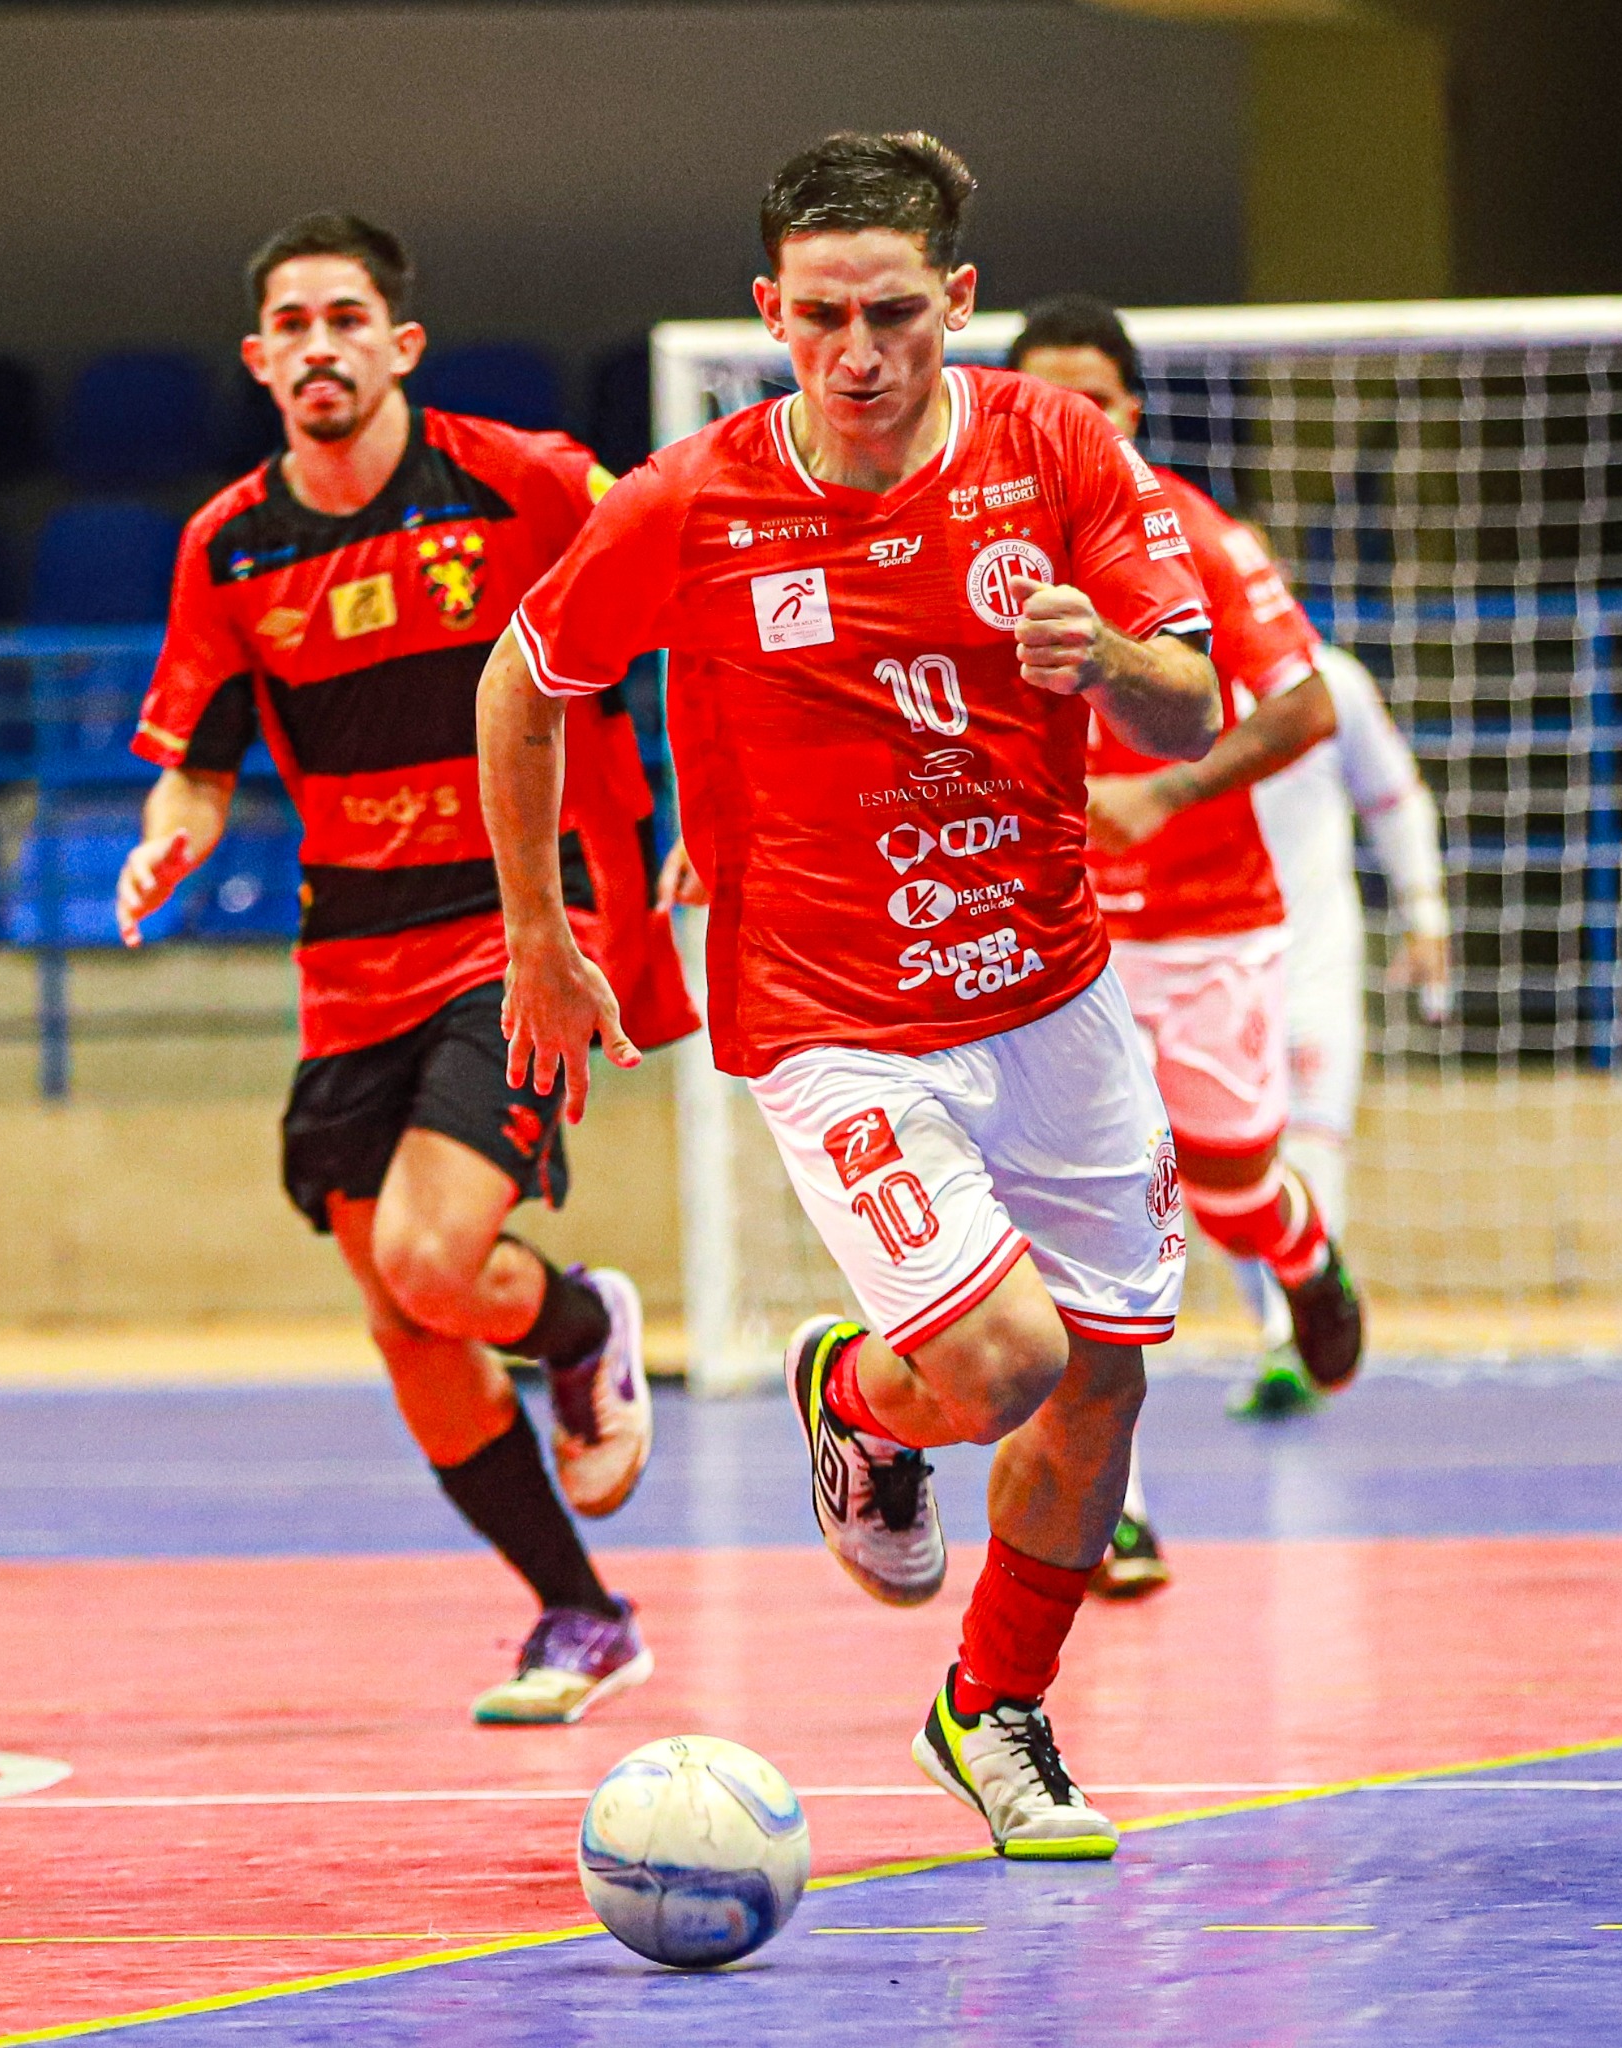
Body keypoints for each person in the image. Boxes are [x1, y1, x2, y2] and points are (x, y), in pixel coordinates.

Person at [484, 132, 1220, 1859]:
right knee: (1009, 1355)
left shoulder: (1060, 450)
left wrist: (1101, 657)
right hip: (830, 1014)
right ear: (771, 313)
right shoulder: (691, 497)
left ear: (960, 303)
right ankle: (865, 1396)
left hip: (1051, 989)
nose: (862, 353)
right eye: (821, 318)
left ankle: (995, 1711)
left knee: (1108, 1378)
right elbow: (520, 690)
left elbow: (1191, 704)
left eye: (897, 312)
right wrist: (540, 927)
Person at [114, 213, 697, 1726]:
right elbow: (197, 759)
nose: (320, 344)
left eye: (346, 317)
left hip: (516, 924)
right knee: (405, 1319)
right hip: (347, 955)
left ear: (399, 346)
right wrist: (167, 839)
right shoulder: (227, 545)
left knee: (436, 1262)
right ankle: (580, 1614)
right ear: (259, 360)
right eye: (291, 323)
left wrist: (721, 804)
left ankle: (579, 1329)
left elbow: (692, 597)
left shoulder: (520, 478)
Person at [1009, 297, 1367, 1599]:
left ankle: (1295, 1245)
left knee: (1222, 1177)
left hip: (1210, 918)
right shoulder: (966, 542)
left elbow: (1309, 706)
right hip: (1047, 932)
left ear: (1131, 413)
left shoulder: (1191, 534)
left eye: (1094, 399)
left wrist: (1165, 793)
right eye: (1047, 398)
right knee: (1079, 1214)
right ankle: (1116, 1508)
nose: (1071, 423)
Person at [1229, 642, 1449, 1417]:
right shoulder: (1166, 688)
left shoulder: (1333, 684)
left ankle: (1292, 1338)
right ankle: (1274, 1332)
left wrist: (1425, 915)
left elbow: (1397, 797)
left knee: (1313, 1148)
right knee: (1233, 1171)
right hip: (1214, 971)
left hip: (1316, 961)